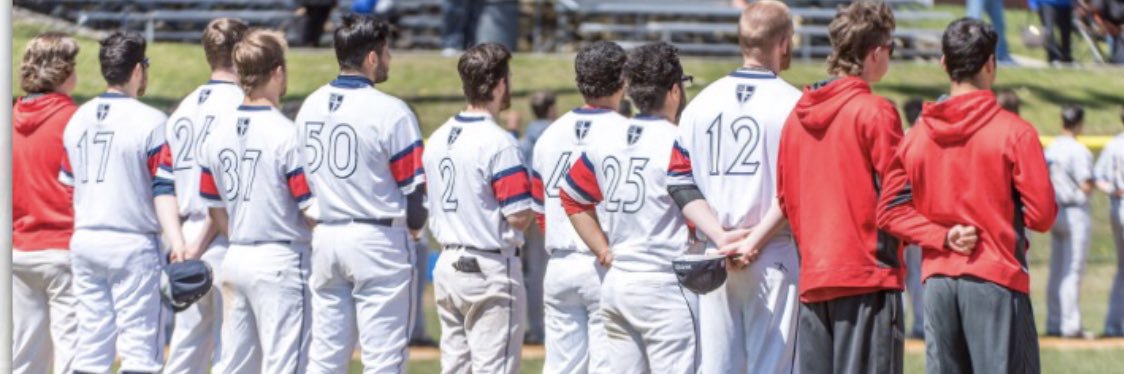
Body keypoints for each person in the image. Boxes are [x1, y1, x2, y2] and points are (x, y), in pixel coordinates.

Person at [764, 2, 978, 372]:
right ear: (876, 52)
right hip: (868, 278)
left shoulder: (796, 116)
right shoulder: (875, 112)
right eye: (891, 49)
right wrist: (941, 234)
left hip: (814, 279)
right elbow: (899, 201)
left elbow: (785, 198)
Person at [898, 18, 1057, 372]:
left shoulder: (916, 136)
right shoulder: (1015, 133)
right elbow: (1043, 216)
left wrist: (940, 235)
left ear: (943, 63)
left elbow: (891, 211)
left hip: (937, 282)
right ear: (990, 64)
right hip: (996, 276)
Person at [561, 41, 710, 374]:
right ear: (674, 90)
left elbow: (571, 197)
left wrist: (603, 250)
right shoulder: (680, 140)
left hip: (618, 282)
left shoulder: (607, 138)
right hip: (664, 285)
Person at [666, 2, 800, 371]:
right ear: (784, 43)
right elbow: (796, 189)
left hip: (716, 254)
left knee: (719, 367)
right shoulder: (796, 104)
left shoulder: (701, 103)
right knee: (772, 366)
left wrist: (721, 238)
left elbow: (678, 181)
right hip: (773, 251)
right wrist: (752, 239)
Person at [294, 15, 429, 373]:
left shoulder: (309, 105)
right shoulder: (391, 111)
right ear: (371, 57)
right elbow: (415, 191)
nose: (389, 59)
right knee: (384, 359)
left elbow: (301, 179)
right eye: (386, 52)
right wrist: (415, 227)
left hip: (326, 236)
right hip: (377, 237)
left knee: (325, 359)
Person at [61, 30, 187, 373]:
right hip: (131, 242)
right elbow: (163, 189)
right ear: (137, 70)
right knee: (140, 351)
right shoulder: (150, 120)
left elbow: (68, 186)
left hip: (86, 239)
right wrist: (177, 241)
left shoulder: (77, 118)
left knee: (90, 348)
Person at [198, 29, 317, 373]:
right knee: (285, 365)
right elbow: (309, 209)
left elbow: (214, 207)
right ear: (277, 72)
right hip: (281, 259)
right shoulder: (287, 133)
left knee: (234, 364)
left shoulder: (216, 133)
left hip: (236, 255)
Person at [424, 43, 534, 374]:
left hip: (447, 263)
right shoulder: (499, 141)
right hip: (489, 266)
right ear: (500, 84)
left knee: (456, 366)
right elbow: (517, 214)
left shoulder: (438, 137)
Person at [530, 40, 627, 373]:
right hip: (603, 261)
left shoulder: (548, 134)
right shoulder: (625, 133)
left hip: (558, 262)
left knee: (561, 367)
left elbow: (539, 211)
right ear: (622, 80)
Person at [163, 18, 247, 374]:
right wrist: (199, 242)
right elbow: (227, 189)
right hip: (224, 235)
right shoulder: (241, 105)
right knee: (231, 351)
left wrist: (180, 242)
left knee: (186, 351)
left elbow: (163, 183)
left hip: (185, 238)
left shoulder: (183, 107)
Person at [12, 32, 80, 374]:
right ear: (66, 71)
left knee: (24, 357)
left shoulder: (10, 117)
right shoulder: (74, 121)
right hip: (63, 247)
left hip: (19, 249)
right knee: (74, 356)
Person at [1045, 104, 1096, 339]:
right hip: (1075, 211)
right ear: (1079, 124)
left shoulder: (1051, 147)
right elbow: (1086, 184)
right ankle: (1070, 324)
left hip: (1054, 210)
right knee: (1072, 269)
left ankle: (1054, 322)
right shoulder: (1079, 150)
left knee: (1056, 269)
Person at [520, 89, 557, 345]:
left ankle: (536, 328)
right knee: (552, 270)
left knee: (533, 273)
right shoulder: (558, 135)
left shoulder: (523, 141)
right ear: (552, 109)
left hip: (530, 211)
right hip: (556, 210)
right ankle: (551, 327)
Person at [901, 96, 926, 340]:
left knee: (903, 272)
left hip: (901, 213)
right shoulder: (925, 137)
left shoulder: (901, 137)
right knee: (917, 272)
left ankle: (904, 322)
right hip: (918, 212)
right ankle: (919, 323)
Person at [1098, 106, 1124, 337]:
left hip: (1119, 207)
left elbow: (1099, 178)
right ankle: (1114, 324)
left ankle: (1113, 324)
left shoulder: (1114, 144)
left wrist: (1114, 189)